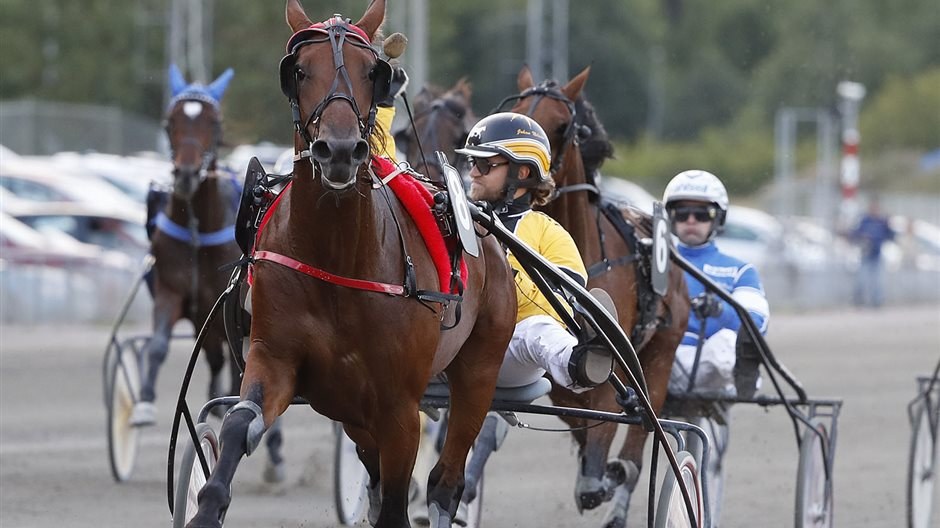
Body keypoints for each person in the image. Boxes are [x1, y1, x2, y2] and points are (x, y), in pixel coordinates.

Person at [456, 111, 615, 393]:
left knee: (539, 328)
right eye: (472, 161)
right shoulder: (455, 216)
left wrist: (500, 274)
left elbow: (560, 306)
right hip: (445, 344)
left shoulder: (548, 232)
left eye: (484, 163)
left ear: (523, 172)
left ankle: (579, 363)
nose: (473, 172)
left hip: (506, 351)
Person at [663, 169, 770, 524]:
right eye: (682, 214)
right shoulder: (656, 264)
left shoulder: (739, 270)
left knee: (728, 342)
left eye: (701, 214)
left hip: (715, 369)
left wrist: (722, 309)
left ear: (717, 219)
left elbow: (757, 321)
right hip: (664, 362)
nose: (691, 221)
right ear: (671, 218)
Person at [850, 197, 895, 307]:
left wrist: (889, 224)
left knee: (878, 281)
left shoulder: (882, 222)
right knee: (862, 279)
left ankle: (877, 302)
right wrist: (862, 237)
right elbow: (855, 234)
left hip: (877, 255)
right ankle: (858, 300)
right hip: (866, 254)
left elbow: (891, 236)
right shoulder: (865, 221)